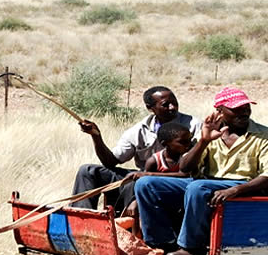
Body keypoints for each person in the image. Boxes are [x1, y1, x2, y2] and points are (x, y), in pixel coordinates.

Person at [133, 87, 268, 255]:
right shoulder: (212, 133)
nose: (244, 112)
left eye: (246, 107)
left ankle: (192, 248)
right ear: (220, 111)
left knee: (198, 187)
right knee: (146, 184)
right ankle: (160, 243)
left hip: (245, 185)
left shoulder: (265, 136)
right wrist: (203, 141)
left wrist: (235, 190)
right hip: (209, 182)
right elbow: (185, 168)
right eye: (236, 109)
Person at [71, 86, 200, 213]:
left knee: (138, 183)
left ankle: (128, 225)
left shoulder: (193, 125)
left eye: (174, 102)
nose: (173, 107)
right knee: (87, 171)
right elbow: (111, 161)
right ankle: (80, 220)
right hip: (143, 175)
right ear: (150, 108)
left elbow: (188, 170)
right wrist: (96, 136)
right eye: (166, 105)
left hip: (176, 179)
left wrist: (147, 175)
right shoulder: (138, 130)